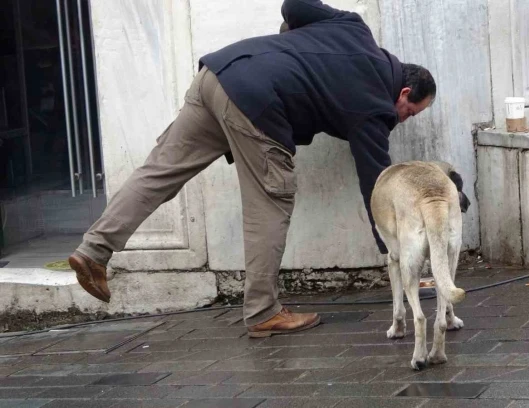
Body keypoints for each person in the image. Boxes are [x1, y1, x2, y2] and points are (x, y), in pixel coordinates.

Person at [68, 0, 437, 337]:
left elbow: (295, 4)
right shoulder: (374, 106)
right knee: (271, 202)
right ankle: (263, 312)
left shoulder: (354, 27)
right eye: (410, 113)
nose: (402, 119)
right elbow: (378, 185)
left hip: (218, 73)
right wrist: (402, 261)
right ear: (404, 93)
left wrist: (291, 51)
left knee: (159, 172)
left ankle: (93, 250)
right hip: (257, 102)